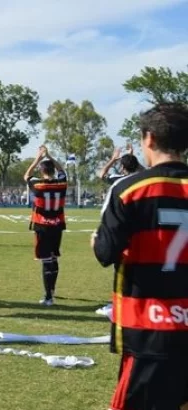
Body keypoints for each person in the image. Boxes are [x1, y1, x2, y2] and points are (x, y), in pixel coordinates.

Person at [92, 103, 188, 410]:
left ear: (149, 139)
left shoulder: (129, 189)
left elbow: (105, 252)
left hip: (148, 326)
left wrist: (97, 241)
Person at [96, 144, 144, 318]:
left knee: (121, 264)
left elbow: (102, 174)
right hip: (141, 225)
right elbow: (143, 170)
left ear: (122, 167)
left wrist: (113, 159)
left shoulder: (118, 179)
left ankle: (120, 301)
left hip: (122, 225)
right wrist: (132, 159)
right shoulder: (143, 178)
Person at [23, 145, 67, 306]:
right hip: (57, 224)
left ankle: (48, 296)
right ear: (53, 170)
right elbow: (63, 171)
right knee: (54, 258)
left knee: (46, 260)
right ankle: (52, 290)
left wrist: (38, 158)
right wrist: (50, 156)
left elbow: (26, 175)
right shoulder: (61, 183)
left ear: (42, 171)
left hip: (42, 225)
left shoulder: (38, 184)